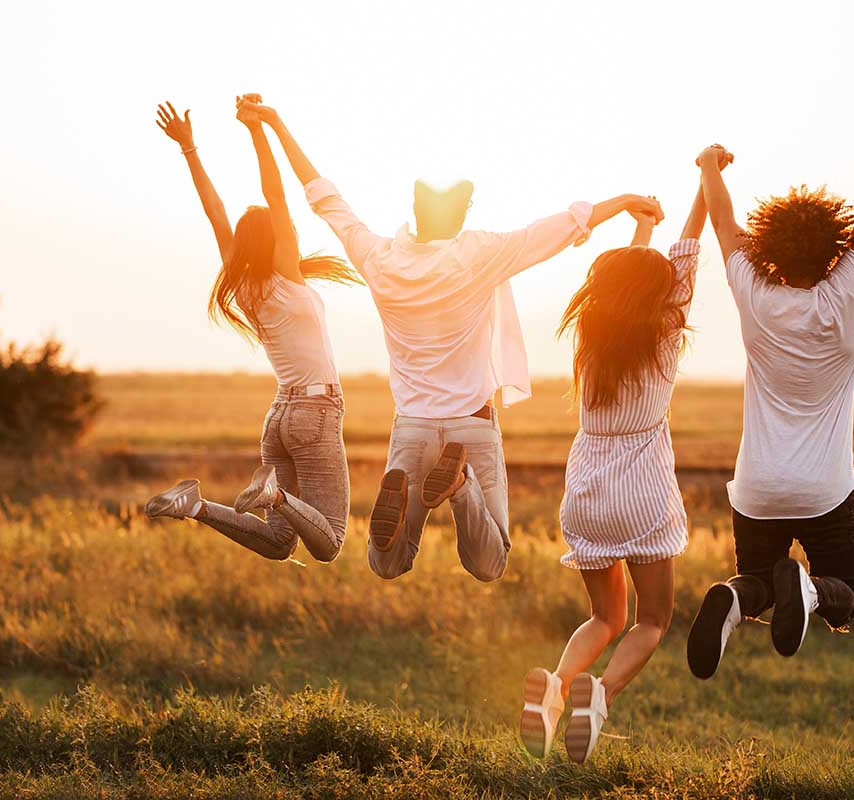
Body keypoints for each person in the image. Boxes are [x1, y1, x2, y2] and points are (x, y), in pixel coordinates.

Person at [237, 97, 665, 583]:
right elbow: (564, 224)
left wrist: (272, 124)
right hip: (473, 426)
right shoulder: (481, 252)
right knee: (489, 563)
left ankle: (399, 515)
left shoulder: (379, 258)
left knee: (388, 564)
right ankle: (460, 487)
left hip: (413, 426)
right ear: (461, 216)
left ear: (414, 212)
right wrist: (629, 202)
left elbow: (323, 197)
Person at [686, 63, 854, 679]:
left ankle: (733, 599)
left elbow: (722, 223)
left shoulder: (755, 295)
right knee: (846, 591)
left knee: (757, 583)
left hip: (758, 488)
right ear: (833, 246)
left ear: (771, 248)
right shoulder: (846, 292)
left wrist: (710, 168)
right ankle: (811, 592)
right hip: (824, 492)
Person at [517, 172, 722, 763]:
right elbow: (681, 259)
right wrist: (705, 184)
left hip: (584, 487)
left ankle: (556, 687)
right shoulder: (663, 333)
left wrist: (642, 225)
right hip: (642, 491)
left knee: (604, 616)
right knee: (652, 619)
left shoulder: (593, 333)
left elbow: (631, 280)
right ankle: (599, 696)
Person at [144, 99, 360, 565]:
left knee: (280, 545)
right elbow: (277, 195)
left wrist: (189, 149)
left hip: (278, 418)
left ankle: (196, 505)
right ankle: (274, 497)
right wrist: (257, 130)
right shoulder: (286, 272)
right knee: (331, 543)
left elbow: (214, 210)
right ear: (276, 240)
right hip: (315, 412)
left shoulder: (241, 283)